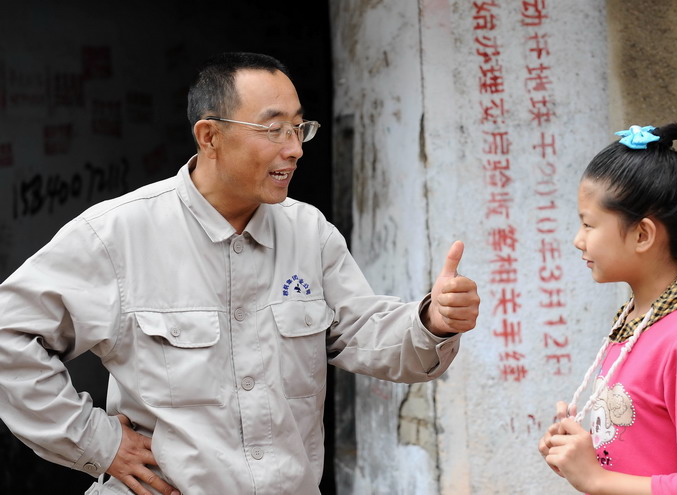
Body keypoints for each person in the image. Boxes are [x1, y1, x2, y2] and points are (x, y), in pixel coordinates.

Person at [0, 52, 480, 495]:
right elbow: (9, 334)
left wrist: (434, 321)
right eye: (273, 130)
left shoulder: (310, 234)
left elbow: (368, 335)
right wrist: (98, 443)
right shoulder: (117, 235)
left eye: (299, 128)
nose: (294, 149)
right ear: (209, 136)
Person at [537, 124, 677, 494]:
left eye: (589, 224)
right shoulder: (636, 318)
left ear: (643, 235)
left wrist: (596, 479)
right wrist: (579, 457)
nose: (578, 240)